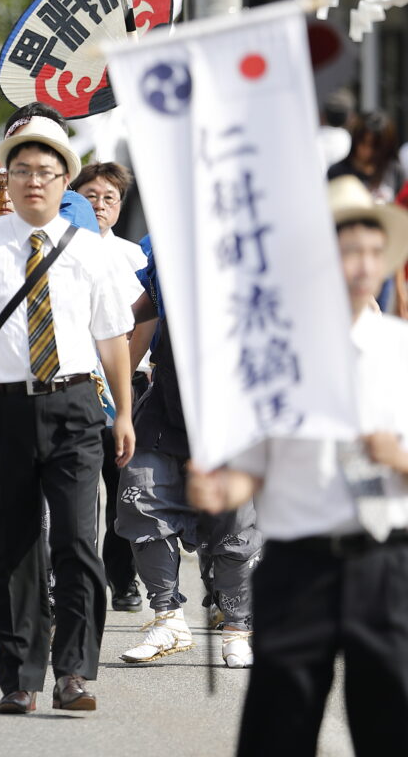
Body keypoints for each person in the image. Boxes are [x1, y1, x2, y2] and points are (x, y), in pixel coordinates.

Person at [189, 176, 408, 757]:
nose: (362, 265)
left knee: (392, 726)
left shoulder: (400, 349)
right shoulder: (276, 357)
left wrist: (399, 459)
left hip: (385, 566)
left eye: (371, 251)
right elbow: (250, 474)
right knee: (278, 729)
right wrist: (217, 489)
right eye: (347, 251)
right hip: (297, 567)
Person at [0, 112, 135, 715]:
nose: (32, 182)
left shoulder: (91, 251)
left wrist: (122, 413)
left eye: (45, 172)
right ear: (6, 181)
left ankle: (75, 672)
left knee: (76, 541)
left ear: (65, 180)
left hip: (75, 405)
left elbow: (114, 337)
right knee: (11, 546)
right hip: (1, 409)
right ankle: (19, 676)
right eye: (21, 171)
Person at [112, 237, 260, 669]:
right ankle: (168, 618)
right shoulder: (167, 239)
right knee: (139, 497)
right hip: (168, 397)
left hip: (235, 406)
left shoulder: (262, 237)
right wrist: (117, 399)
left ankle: (237, 626)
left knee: (235, 521)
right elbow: (137, 319)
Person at [70, 161, 146, 614]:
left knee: (123, 491)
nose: (99, 205)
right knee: (79, 497)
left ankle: (123, 579)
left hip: (122, 389)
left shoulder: (135, 257)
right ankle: (76, 586)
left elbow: (141, 328)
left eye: (109, 198)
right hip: (75, 387)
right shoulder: (60, 250)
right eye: (91, 196)